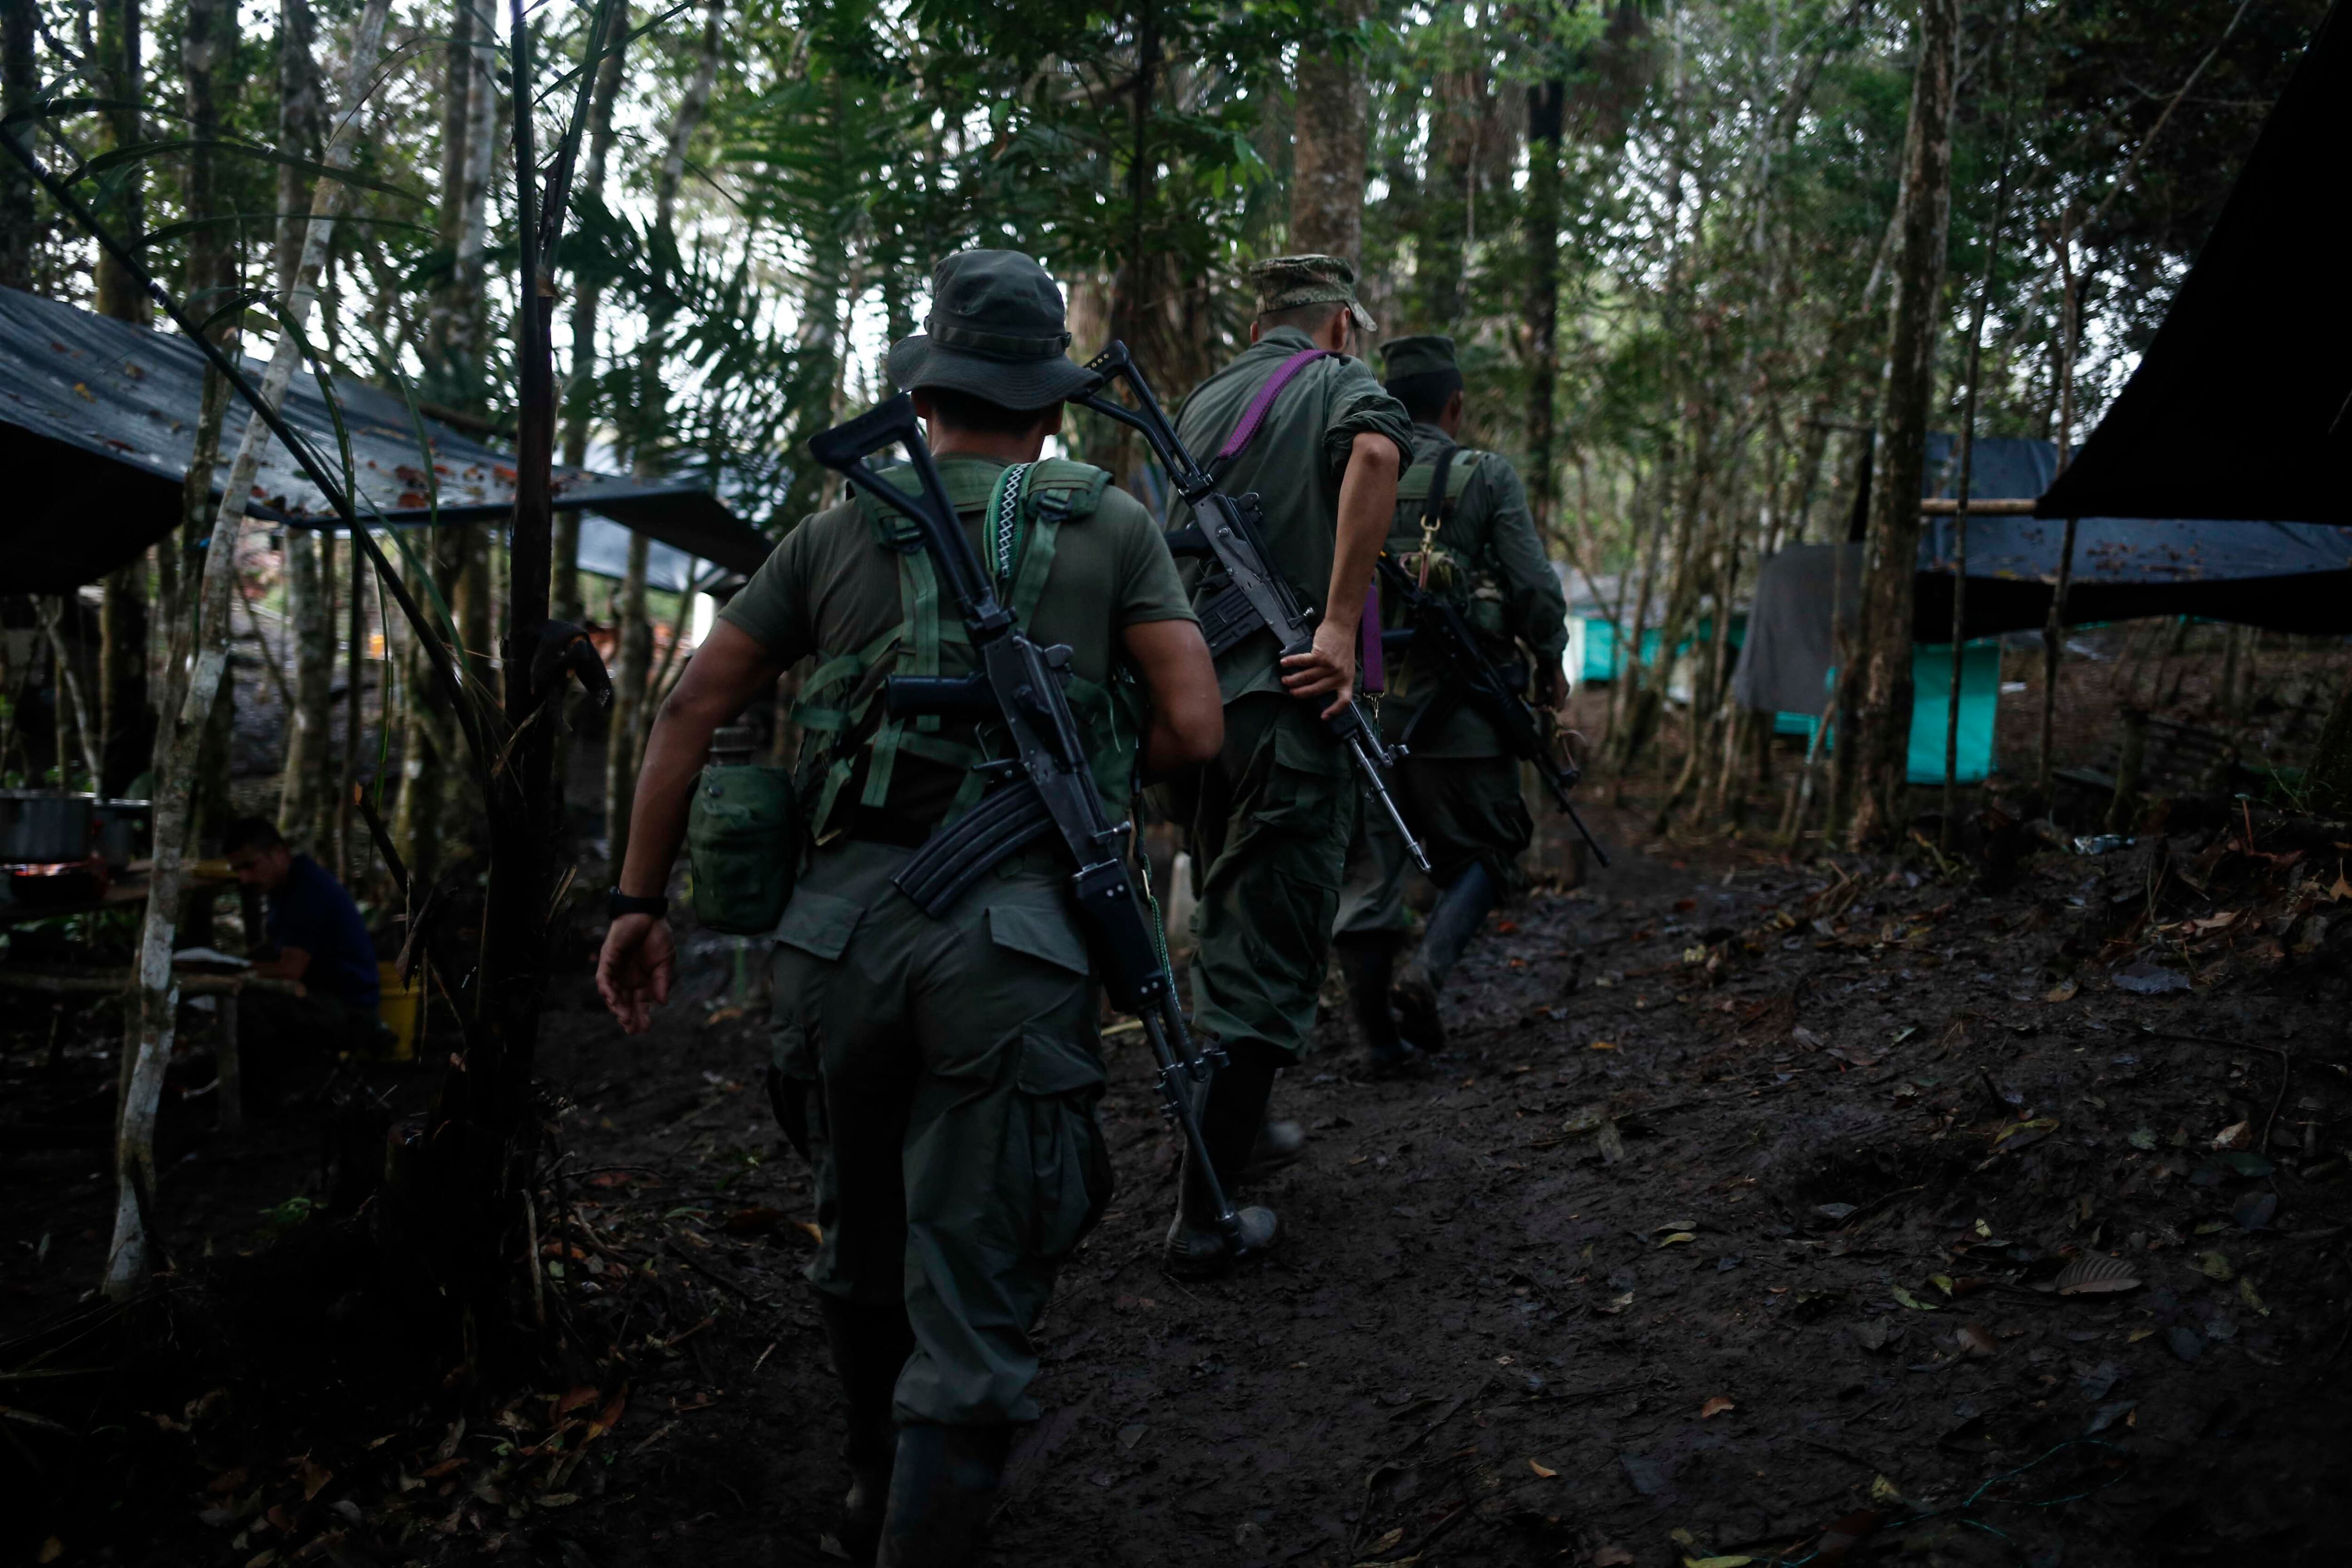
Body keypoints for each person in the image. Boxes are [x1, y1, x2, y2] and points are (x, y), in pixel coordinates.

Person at [593, 250, 1224, 1568]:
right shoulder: (1110, 522)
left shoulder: (834, 529)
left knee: (859, 1229)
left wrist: (638, 901)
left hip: (835, 943)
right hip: (1015, 944)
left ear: (928, 399)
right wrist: (1083, 779)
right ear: (1051, 403)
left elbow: (691, 708)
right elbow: (1196, 727)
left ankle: (867, 1484)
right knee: (975, 1282)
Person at [1162, 255, 1414, 1279]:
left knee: (1228, 913)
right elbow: (1375, 455)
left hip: (1190, 712)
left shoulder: (1201, 398)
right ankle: (1202, 1215)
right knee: (1269, 938)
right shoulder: (1336, 381)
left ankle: (1246, 1124)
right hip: (1285, 702)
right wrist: (1343, 621)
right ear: (1342, 324)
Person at [1332, 335, 1570, 1068]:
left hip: (1362, 709)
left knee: (1371, 874)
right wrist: (1550, 663)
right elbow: (1531, 585)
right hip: (1461, 713)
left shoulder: (1347, 472)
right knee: (1493, 848)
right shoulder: (1482, 476)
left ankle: (1376, 1042)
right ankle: (1425, 974)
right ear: (1455, 405)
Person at [221, 817, 384, 1070]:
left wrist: (232, 971)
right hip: (328, 1000)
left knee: (246, 1007)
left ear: (279, 853)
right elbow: (279, 948)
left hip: (351, 1012)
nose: (244, 878)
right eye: (238, 870)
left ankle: (277, 1089)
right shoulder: (285, 885)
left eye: (250, 866)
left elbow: (290, 970)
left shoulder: (306, 891)